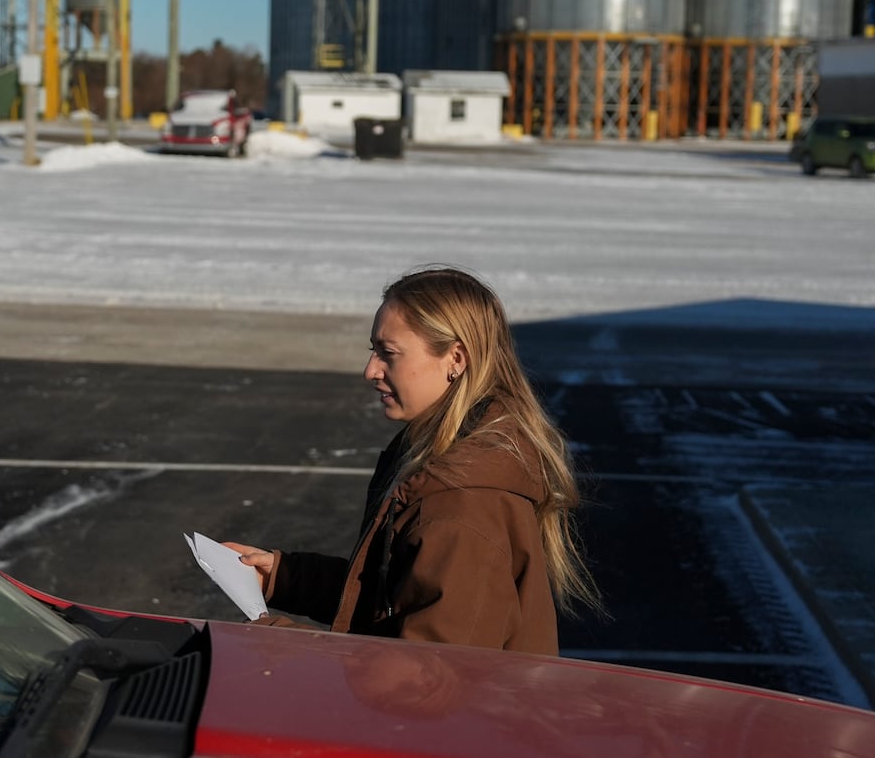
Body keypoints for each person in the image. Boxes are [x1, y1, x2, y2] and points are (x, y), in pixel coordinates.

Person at [222, 267, 597, 654]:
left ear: (456, 358)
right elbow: (397, 598)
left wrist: (273, 639)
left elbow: (431, 676)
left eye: (389, 353)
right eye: (374, 351)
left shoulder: (463, 505)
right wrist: (283, 577)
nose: (371, 370)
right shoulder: (442, 460)